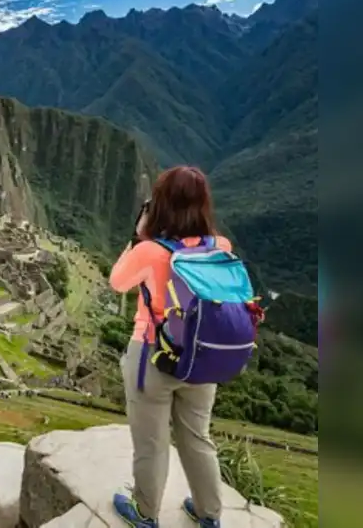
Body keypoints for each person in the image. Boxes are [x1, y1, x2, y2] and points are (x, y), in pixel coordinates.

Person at [108, 166, 243, 528]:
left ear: (160, 205)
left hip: (153, 355)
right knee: (198, 437)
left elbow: (118, 281)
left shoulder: (150, 251)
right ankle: (209, 513)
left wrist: (138, 236)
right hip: (202, 358)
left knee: (151, 443)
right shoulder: (221, 246)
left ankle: (145, 513)